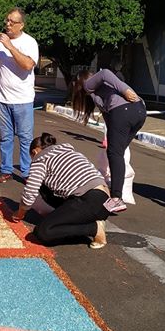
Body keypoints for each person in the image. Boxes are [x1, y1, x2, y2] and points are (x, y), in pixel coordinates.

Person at [12, 133, 109, 249]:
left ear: (34, 152)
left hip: (87, 200)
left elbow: (30, 191)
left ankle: (94, 228)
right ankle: (73, 219)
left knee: (43, 232)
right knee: (44, 186)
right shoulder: (70, 152)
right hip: (104, 201)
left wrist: (20, 213)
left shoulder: (40, 160)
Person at [71, 68, 146, 213]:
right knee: (117, 153)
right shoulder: (101, 91)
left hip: (124, 111)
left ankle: (117, 198)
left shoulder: (88, 85)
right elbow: (109, 115)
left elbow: (105, 73)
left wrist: (124, 89)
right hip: (140, 111)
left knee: (115, 154)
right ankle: (117, 192)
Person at [0, 7, 39, 183]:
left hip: (23, 100)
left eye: (12, 22)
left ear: (21, 25)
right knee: (5, 137)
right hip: (1, 99)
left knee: (25, 138)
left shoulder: (29, 42)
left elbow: (28, 65)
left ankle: (27, 172)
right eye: (6, 20)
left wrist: (9, 46)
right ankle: (5, 169)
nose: (7, 24)